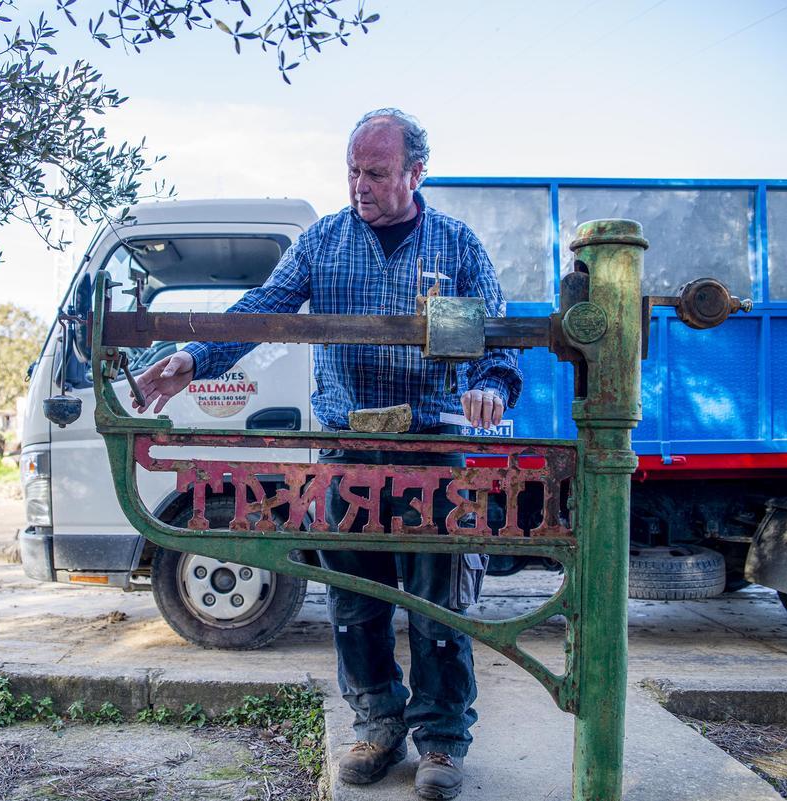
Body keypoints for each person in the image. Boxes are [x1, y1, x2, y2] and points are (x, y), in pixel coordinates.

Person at [132, 108, 521, 800]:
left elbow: (500, 338)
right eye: (352, 171)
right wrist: (193, 355)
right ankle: (376, 723)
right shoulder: (322, 243)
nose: (359, 186)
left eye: (375, 172)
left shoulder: (457, 246)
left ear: (415, 173)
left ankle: (440, 742)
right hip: (345, 452)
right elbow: (262, 309)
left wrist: (491, 385)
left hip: (432, 452)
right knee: (353, 603)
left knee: (438, 607)